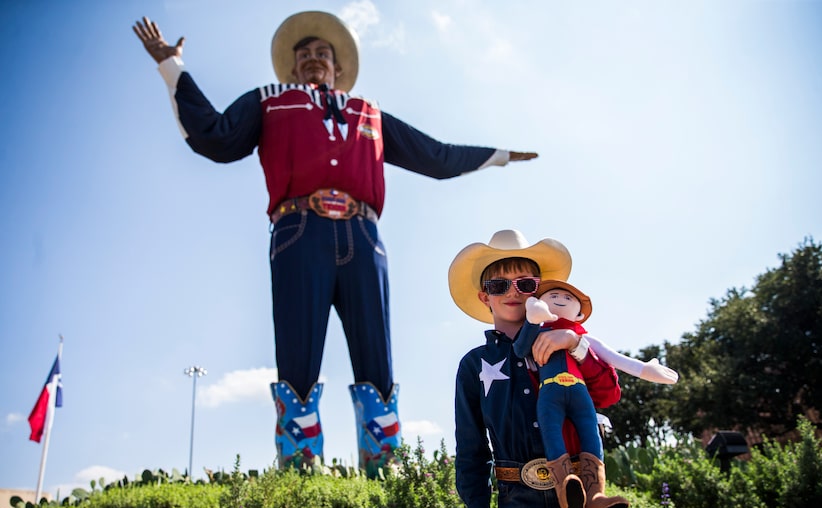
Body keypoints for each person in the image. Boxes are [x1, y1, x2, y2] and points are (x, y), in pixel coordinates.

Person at [132, 11, 538, 475]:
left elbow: (435, 155)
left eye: (321, 53)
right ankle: (301, 476)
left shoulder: (369, 113)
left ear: (338, 66)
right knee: (297, 356)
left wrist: (500, 156)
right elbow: (215, 137)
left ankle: (383, 474)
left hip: (364, 235)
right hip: (298, 230)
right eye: (302, 55)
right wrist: (172, 68)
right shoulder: (271, 101)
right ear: (291, 67)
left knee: (377, 359)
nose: (312, 60)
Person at [448, 229, 621, 508]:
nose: (513, 293)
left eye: (525, 284)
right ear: (485, 297)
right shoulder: (473, 365)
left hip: (580, 491)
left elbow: (609, 394)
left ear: (538, 290)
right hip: (518, 503)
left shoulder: (571, 345)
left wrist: (575, 344)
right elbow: (471, 446)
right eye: (499, 286)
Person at [514, 280, 678, 508]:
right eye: (553, 295)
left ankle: (596, 496)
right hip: (549, 394)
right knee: (552, 435)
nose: (560, 299)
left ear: (579, 314)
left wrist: (646, 369)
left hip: (581, 395)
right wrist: (533, 320)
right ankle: (568, 491)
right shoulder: (538, 333)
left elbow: (614, 358)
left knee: (591, 436)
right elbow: (519, 349)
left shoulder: (583, 339)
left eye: (568, 298)